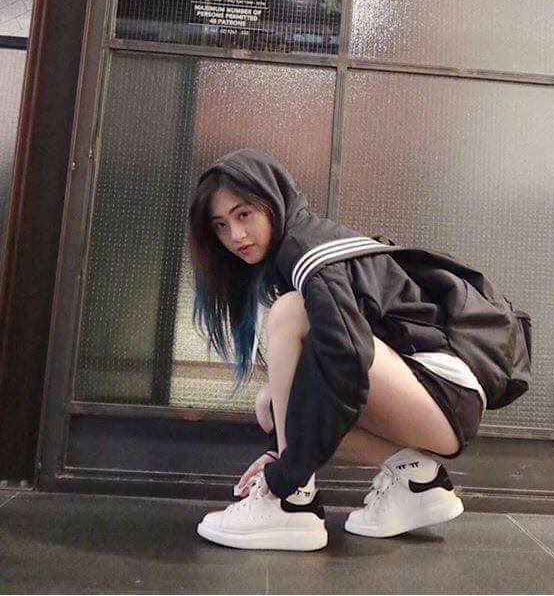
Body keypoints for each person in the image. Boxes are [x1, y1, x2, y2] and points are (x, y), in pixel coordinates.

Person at [188, 149, 530, 551]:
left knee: (288, 312)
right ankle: (418, 481)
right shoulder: (301, 248)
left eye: (244, 214)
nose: (236, 236)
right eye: (221, 225)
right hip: (437, 396)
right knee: (271, 404)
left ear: (271, 200)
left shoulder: (308, 252)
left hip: (443, 392)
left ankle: (291, 505)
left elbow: (348, 359)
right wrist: (283, 437)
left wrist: (286, 471)